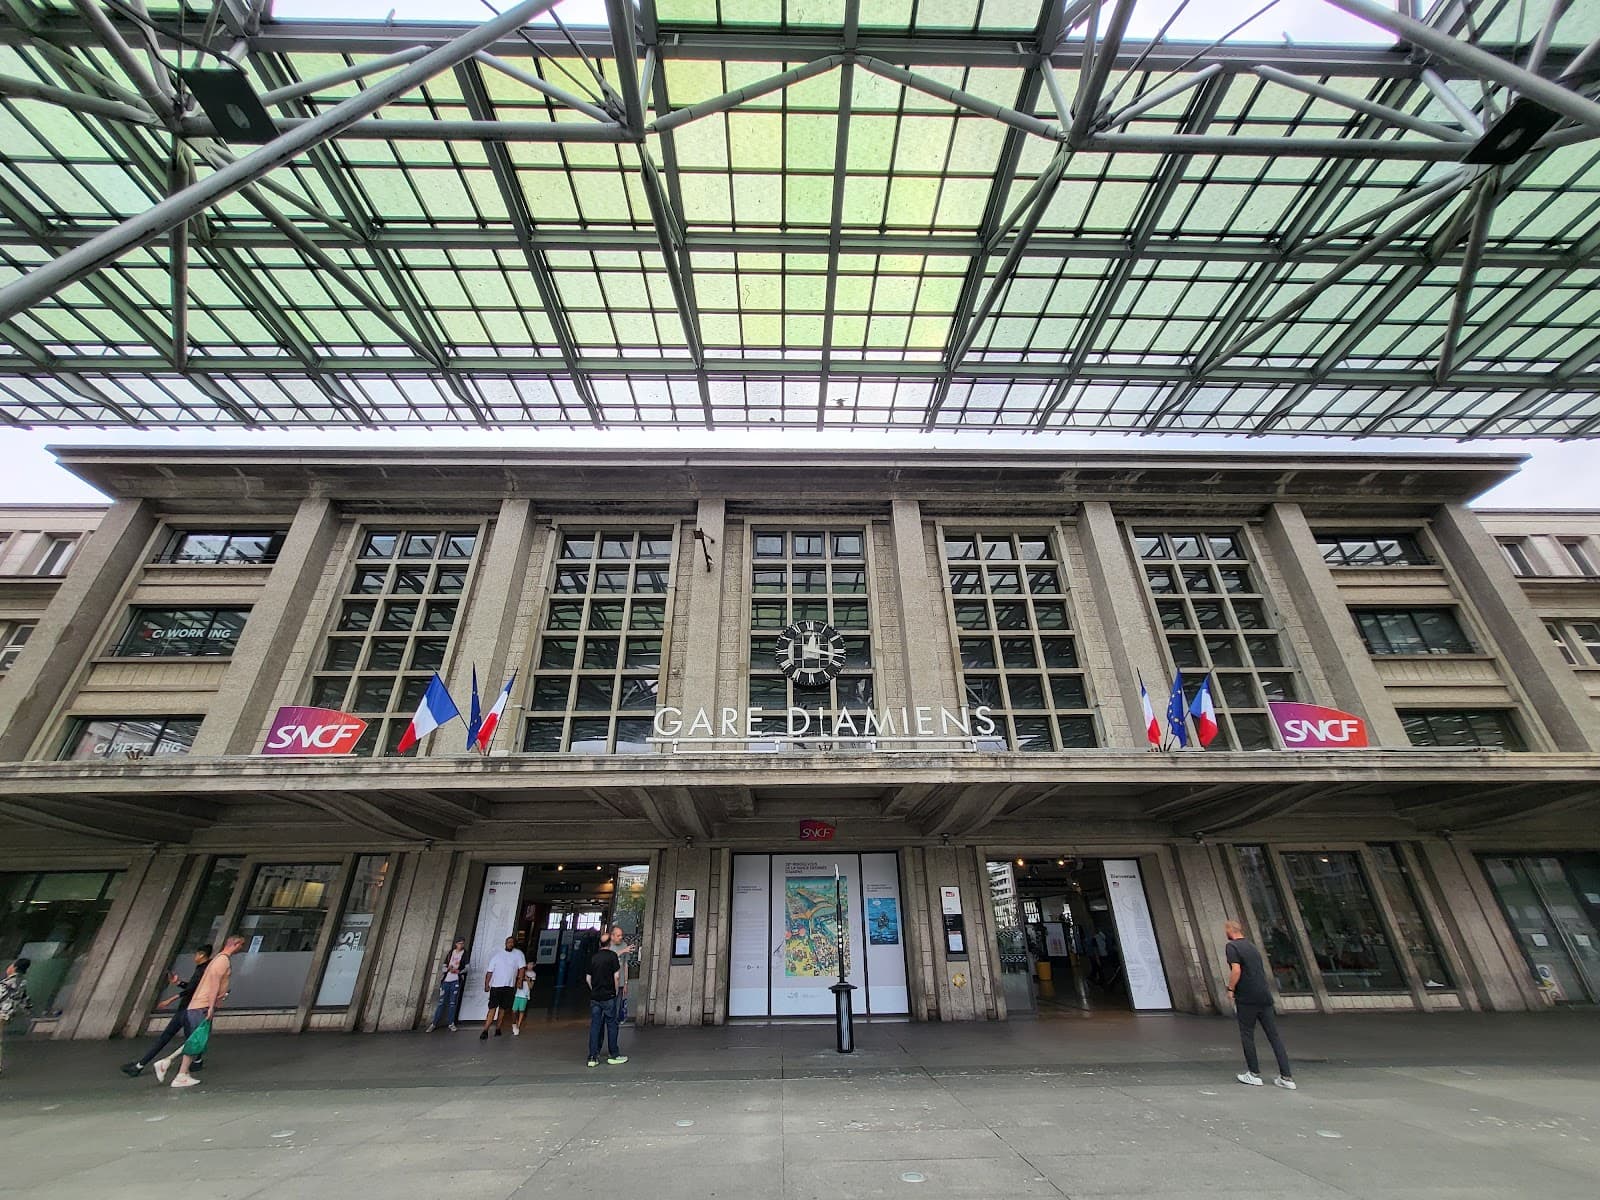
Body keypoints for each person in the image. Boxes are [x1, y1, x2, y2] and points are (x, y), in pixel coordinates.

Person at [155, 933, 245, 1089]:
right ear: (236, 944)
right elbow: (214, 983)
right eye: (241, 945)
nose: (242, 948)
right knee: (197, 1039)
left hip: (200, 1005)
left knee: (197, 1038)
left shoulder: (217, 960)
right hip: (201, 1006)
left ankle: (174, 1066)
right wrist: (211, 1006)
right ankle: (178, 1071)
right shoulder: (222, 961)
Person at [1224, 920, 1296, 1090]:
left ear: (1230, 930)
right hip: (1264, 995)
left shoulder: (1232, 947)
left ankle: (1254, 1073)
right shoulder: (1252, 946)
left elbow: (1236, 970)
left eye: (1226, 930)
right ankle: (1287, 1077)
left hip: (1247, 997)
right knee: (1274, 1036)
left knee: (1247, 1034)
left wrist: (1230, 989)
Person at [122, 945, 211, 1077]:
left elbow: (191, 990)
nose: (195, 957)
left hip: (189, 1009)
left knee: (170, 1037)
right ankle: (196, 1062)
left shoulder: (202, 970)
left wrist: (170, 999)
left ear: (202, 955)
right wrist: (179, 983)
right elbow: (192, 987)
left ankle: (140, 1065)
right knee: (190, 1038)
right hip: (190, 1009)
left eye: (196, 954)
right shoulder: (204, 969)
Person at [584, 935, 626, 1068]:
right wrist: (614, 992)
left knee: (595, 1025)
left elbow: (588, 978)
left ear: (599, 944)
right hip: (609, 996)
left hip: (595, 997)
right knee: (612, 1025)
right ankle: (613, 1054)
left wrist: (594, 990)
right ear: (610, 943)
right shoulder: (612, 956)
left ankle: (592, 1056)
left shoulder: (593, 957)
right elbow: (616, 976)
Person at [480, 935, 525, 1041]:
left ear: (514, 944)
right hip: (496, 986)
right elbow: (489, 972)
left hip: (509, 986)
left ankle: (498, 1028)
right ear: (505, 943)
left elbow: (522, 968)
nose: (510, 944)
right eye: (509, 942)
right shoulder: (498, 956)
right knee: (492, 1008)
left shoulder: (518, 954)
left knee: (503, 1009)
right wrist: (486, 984)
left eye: (512, 942)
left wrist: (519, 981)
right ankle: (485, 1030)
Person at [427, 937, 468, 1032]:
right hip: (446, 980)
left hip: (456, 980)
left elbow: (467, 967)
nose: (461, 945)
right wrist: (448, 969)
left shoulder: (465, 954)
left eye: (462, 943)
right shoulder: (451, 953)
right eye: (459, 943)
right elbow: (444, 966)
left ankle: (451, 1023)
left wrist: (459, 971)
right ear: (456, 944)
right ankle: (434, 1023)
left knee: (452, 1003)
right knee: (441, 1002)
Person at [0, 958, 32, 1076]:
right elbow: (25, 1000)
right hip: (8, 1014)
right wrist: (28, 1012)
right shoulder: (22, 982)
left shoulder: (6, 983)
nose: (8, 967)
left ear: (14, 968)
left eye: (11, 965)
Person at [509, 957, 533, 1036]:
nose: (530, 966)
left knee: (521, 1011)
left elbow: (531, 987)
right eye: (528, 964)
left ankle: (518, 1026)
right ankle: (514, 1024)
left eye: (531, 964)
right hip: (517, 994)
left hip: (524, 995)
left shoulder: (533, 974)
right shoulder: (520, 972)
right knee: (514, 1010)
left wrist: (527, 979)